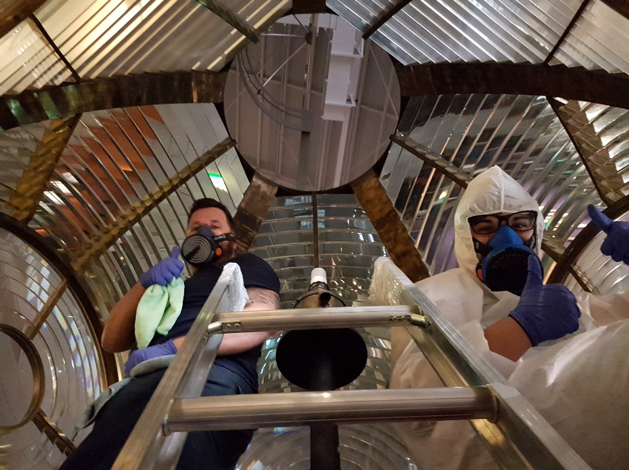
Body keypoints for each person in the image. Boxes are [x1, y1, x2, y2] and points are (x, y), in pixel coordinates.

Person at [384, 166, 629, 470]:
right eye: (485, 227)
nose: (508, 236)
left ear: (535, 231)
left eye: (520, 223)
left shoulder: (561, 302)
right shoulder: (436, 294)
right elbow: (415, 407)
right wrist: (520, 329)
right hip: (494, 443)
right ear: (465, 236)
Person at [60, 198, 281, 470]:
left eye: (214, 226)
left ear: (232, 239)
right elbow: (111, 340)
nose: (204, 233)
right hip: (141, 384)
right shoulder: (171, 287)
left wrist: (175, 348)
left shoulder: (244, 266)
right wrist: (145, 283)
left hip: (213, 378)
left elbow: (260, 318)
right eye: (195, 227)